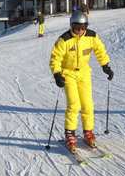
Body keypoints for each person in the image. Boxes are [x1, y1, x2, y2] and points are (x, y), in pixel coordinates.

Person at [49, 10, 114, 152]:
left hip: (84, 73)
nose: (80, 31)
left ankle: (87, 132)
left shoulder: (91, 36)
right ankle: (70, 134)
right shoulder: (64, 39)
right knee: (74, 104)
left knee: (87, 104)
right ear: (72, 25)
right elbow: (56, 58)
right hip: (68, 74)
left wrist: (105, 66)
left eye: (83, 27)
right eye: (77, 27)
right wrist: (57, 74)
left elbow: (100, 50)